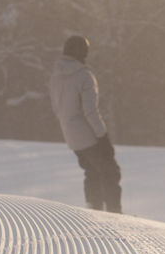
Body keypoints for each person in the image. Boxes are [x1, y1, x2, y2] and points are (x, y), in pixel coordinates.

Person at [49, 35, 122, 213]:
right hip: (89, 135)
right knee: (110, 173)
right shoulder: (84, 76)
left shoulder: (56, 77)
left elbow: (56, 107)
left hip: (71, 136)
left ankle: (93, 211)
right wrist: (103, 137)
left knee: (92, 173)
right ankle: (116, 216)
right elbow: (90, 111)